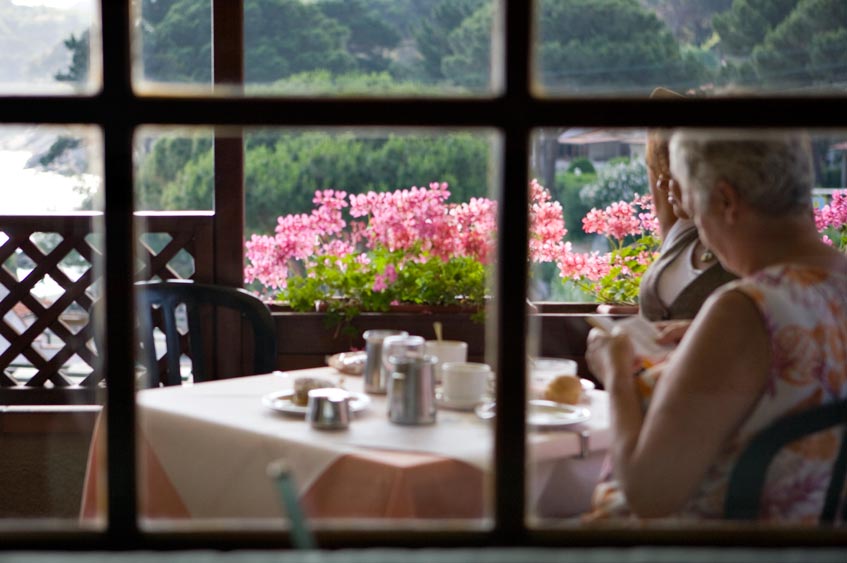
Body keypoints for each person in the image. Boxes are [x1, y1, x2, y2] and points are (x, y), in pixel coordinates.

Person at [585, 129, 847, 522]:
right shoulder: (822, 291)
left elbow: (649, 493)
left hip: (708, 543)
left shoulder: (744, 311)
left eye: (694, 207)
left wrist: (616, 375)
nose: (700, 229)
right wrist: (703, 332)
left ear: (726, 201)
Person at [638, 89, 736, 321]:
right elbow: (659, 99)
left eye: (674, 173)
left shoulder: (746, 253)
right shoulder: (680, 231)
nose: (662, 183)